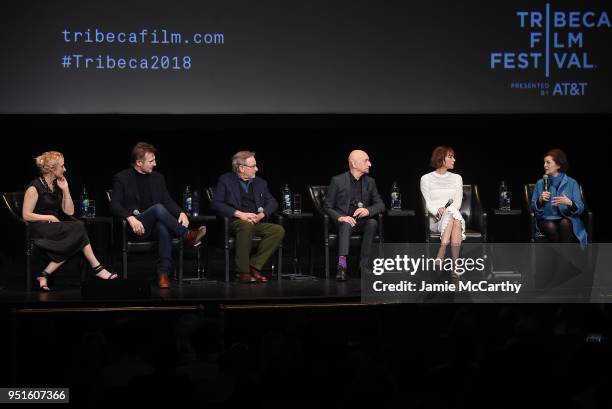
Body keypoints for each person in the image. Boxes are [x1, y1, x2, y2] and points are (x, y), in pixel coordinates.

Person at [110, 142, 206, 289]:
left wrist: (181, 212)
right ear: (139, 162)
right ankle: (187, 235)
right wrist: (130, 218)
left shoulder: (158, 178)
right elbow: (115, 204)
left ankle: (163, 274)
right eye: (151, 161)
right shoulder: (122, 178)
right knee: (158, 209)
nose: (155, 164)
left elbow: (167, 200)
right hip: (137, 227)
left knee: (163, 226)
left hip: (155, 226)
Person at [22, 151, 118, 291]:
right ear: (52, 169)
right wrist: (48, 217)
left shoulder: (56, 186)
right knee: (78, 229)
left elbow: (69, 212)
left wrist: (66, 190)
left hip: (54, 228)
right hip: (39, 229)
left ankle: (44, 275)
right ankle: (97, 269)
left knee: (76, 232)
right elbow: (26, 215)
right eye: (62, 166)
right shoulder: (34, 187)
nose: (65, 169)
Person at [210, 151, 285, 283]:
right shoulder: (226, 180)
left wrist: (261, 215)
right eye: (253, 166)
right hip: (236, 222)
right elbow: (216, 204)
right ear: (241, 168)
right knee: (245, 226)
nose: (257, 168)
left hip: (255, 221)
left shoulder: (260, 182)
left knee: (278, 230)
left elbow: (273, 202)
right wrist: (240, 214)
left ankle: (254, 266)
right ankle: (242, 272)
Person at [323, 150, 385, 281]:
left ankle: (363, 266)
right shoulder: (337, 181)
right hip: (342, 222)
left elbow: (380, 204)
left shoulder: (370, 182)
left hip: (361, 222)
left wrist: (368, 210)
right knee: (346, 223)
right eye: (366, 160)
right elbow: (327, 206)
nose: (370, 164)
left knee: (372, 223)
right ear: (354, 163)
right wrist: (340, 217)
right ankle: (342, 266)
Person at [420, 146, 465, 280]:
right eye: (450, 157)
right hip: (436, 220)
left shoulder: (457, 178)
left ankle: (443, 250)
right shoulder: (426, 178)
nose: (454, 160)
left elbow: (457, 202)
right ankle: (455, 265)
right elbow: (427, 202)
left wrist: (446, 210)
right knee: (454, 217)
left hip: (452, 215)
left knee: (453, 215)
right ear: (441, 159)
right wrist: (437, 211)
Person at [531, 148, 587, 248]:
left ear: (558, 165)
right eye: (544, 162)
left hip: (567, 218)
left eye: (548, 162)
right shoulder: (540, 183)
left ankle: (560, 261)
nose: (545, 165)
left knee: (565, 223)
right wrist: (540, 201)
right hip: (546, 219)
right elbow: (533, 206)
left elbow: (580, 207)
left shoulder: (572, 182)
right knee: (551, 226)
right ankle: (565, 261)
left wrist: (570, 203)